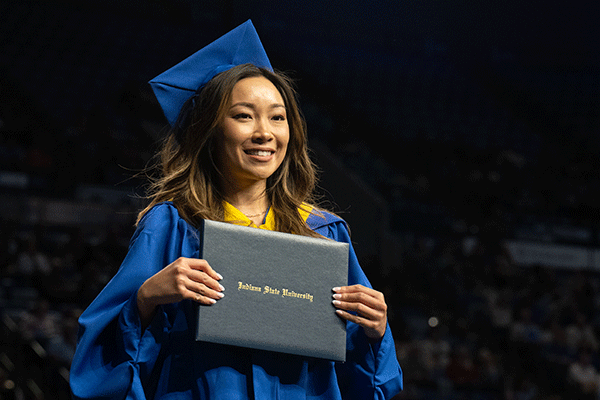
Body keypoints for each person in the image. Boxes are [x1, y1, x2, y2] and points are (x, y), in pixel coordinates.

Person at [69, 20, 403, 399]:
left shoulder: (323, 232)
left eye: (278, 117)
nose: (265, 132)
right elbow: (100, 366)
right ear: (209, 129)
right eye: (244, 115)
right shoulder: (174, 227)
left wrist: (375, 330)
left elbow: (361, 379)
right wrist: (145, 298)